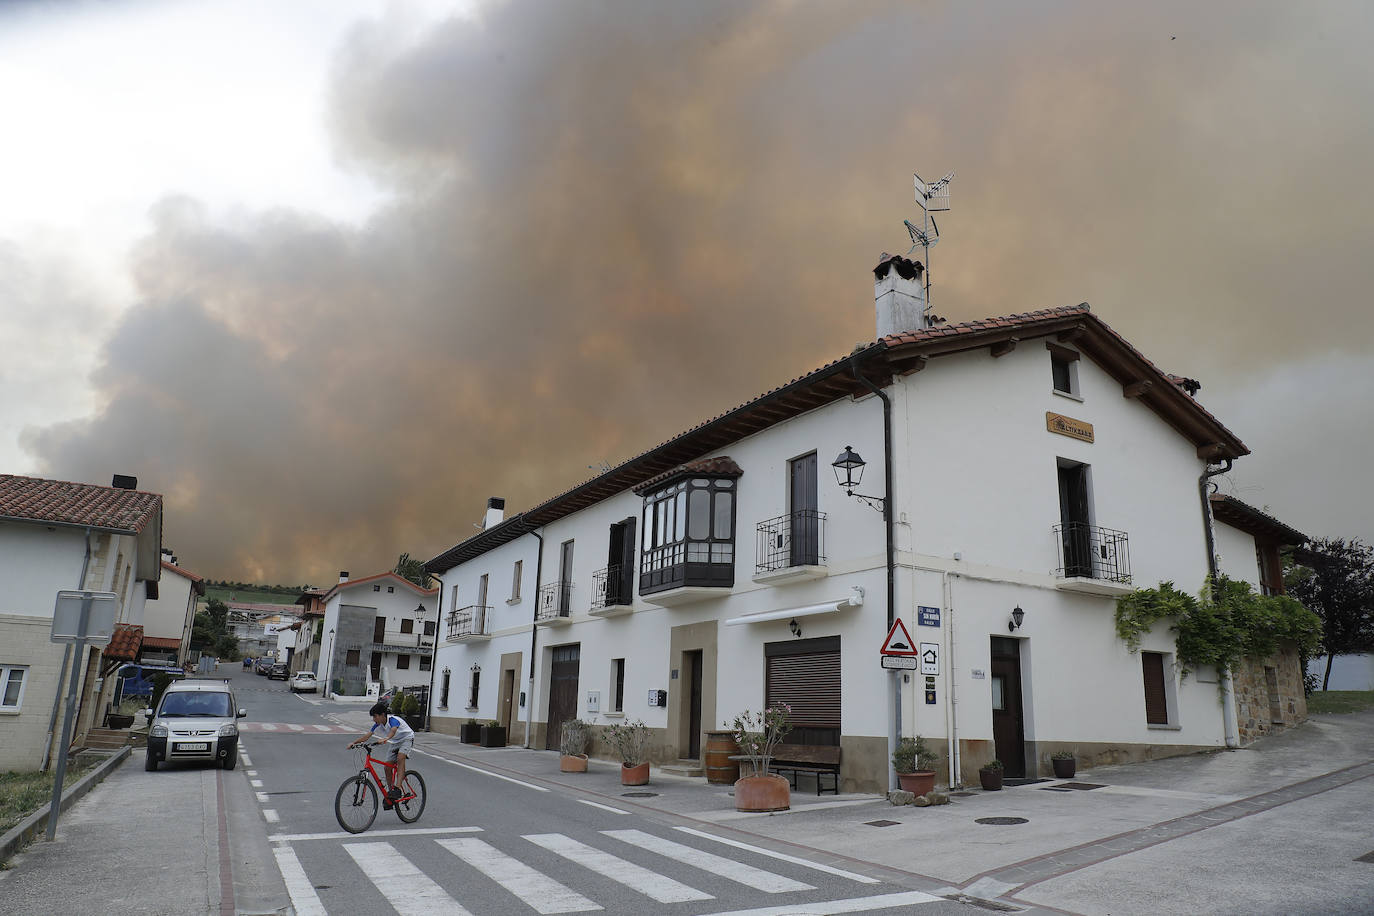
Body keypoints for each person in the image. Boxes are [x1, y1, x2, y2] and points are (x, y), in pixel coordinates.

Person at [348, 701, 415, 804]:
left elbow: (393, 730)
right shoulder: (377, 724)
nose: (374, 719)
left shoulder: (393, 720)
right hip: (395, 742)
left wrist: (386, 738)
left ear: (382, 715)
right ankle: (391, 792)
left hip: (406, 738)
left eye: (375, 716)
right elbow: (367, 736)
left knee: (400, 758)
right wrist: (354, 743)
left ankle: (397, 789)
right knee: (387, 767)